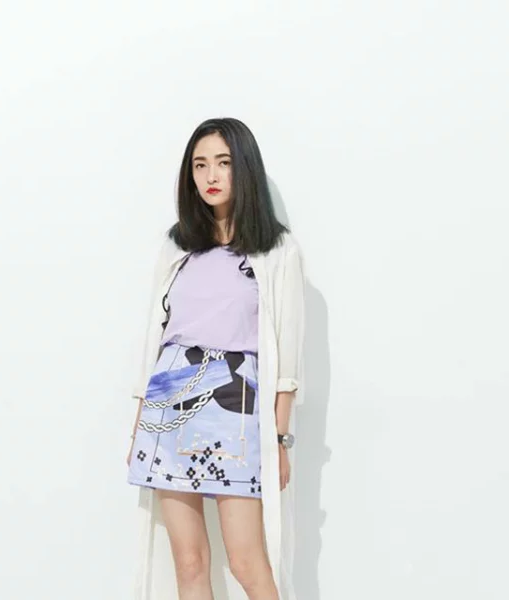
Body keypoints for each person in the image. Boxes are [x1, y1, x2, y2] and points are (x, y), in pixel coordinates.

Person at [126, 117, 306, 600]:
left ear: (243, 168)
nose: (210, 175)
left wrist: (280, 440)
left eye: (223, 163)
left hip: (236, 405)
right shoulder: (176, 246)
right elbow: (153, 338)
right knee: (188, 562)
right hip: (169, 401)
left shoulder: (277, 250)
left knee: (248, 563)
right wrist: (140, 421)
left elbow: (288, 360)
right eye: (200, 164)